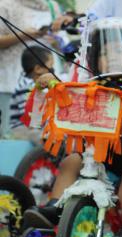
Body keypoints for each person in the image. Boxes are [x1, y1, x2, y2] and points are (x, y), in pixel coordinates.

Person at [22, 18, 122, 237]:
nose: (113, 57)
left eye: (121, 52)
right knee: (71, 159)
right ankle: (54, 207)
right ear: (95, 60)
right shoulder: (92, 85)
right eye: (105, 54)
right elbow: (67, 94)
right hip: (104, 151)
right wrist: (52, 84)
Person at [0, 0, 67, 137]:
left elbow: (64, 42)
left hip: (47, 72)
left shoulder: (51, 6)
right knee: (13, 133)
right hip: (11, 78)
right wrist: (23, 35)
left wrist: (56, 41)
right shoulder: (5, 5)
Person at [9, 46, 53, 141]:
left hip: (34, 128)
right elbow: (29, 119)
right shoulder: (27, 87)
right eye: (50, 67)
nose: (53, 71)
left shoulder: (37, 87)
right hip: (22, 131)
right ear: (38, 69)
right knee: (40, 136)